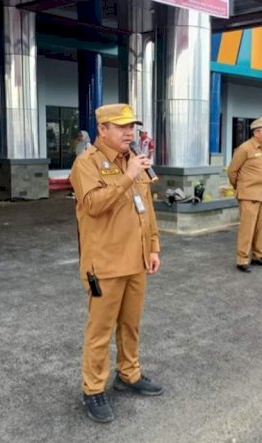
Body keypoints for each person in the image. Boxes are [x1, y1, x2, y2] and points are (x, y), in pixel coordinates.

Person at [69, 103, 163, 424]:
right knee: (100, 330)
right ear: (102, 130)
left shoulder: (132, 162)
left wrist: (153, 247)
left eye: (131, 127)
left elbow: (145, 210)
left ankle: (128, 374)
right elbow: (94, 205)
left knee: (130, 325)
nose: (129, 132)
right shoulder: (86, 164)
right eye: (121, 127)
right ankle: (93, 388)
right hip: (105, 265)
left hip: (136, 260)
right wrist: (127, 177)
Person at [228, 114, 262, 272]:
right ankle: (242, 259)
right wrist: (240, 187)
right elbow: (232, 171)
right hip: (248, 194)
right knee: (247, 228)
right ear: (255, 133)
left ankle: (259, 255)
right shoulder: (245, 148)